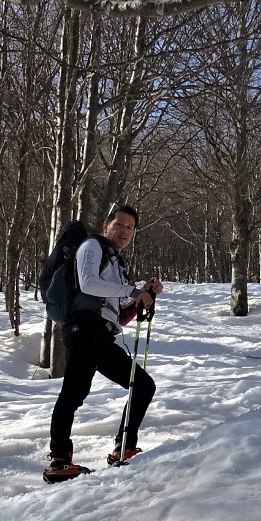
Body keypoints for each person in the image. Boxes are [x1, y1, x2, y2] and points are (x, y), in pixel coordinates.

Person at [45, 203, 164, 482]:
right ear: (106, 226)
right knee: (74, 392)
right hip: (84, 327)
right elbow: (88, 284)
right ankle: (59, 461)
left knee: (142, 385)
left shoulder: (115, 262)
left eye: (130, 228)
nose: (124, 231)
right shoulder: (92, 247)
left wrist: (141, 297)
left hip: (101, 333)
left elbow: (116, 316)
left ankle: (123, 449)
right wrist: (132, 290)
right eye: (119, 224)